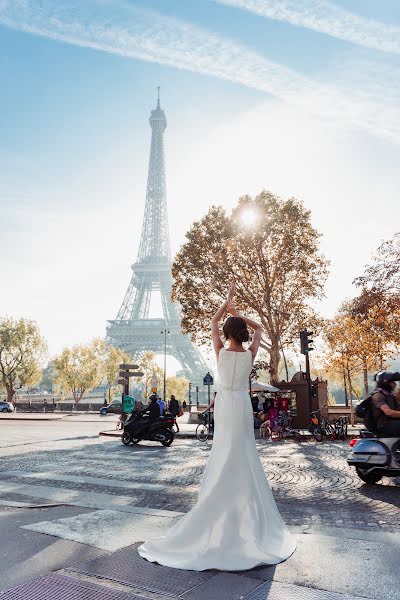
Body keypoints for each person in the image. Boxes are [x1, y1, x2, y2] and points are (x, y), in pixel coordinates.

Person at [138, 284, 296, 570]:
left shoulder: (220, 351)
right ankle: (240, 504)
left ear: (226, 334)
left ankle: (217, 499)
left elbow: (212, 322)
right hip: (241, 405)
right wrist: (238, 313)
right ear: (242, 334)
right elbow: (259, 328)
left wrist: (226, 304)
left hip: (224, 406)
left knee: (223, 450)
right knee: (243, 451)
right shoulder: (249, 354)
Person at [371, 371, 400, 436]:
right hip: (383, 425)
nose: (395, 384)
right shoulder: (378, 395)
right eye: (392, 382)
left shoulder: (389, 395)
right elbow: (388, 412)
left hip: (391, 422)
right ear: (386, 382)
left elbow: (397, 408)